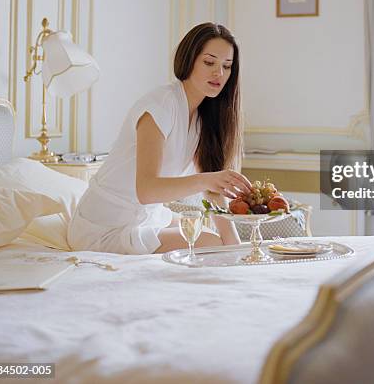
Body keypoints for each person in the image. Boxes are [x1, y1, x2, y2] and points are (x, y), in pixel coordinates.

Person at [67, 22, 252, 254]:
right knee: (210, 245)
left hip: (144, 219)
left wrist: (236, 248)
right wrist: (207, 179)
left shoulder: (204, 118)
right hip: (102, 228)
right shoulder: (160, 105)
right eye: (209, 62)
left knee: (219, 241)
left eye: (227, 66)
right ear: (190, 60)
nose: (219, 73)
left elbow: (213, 192)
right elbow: (147, 191)